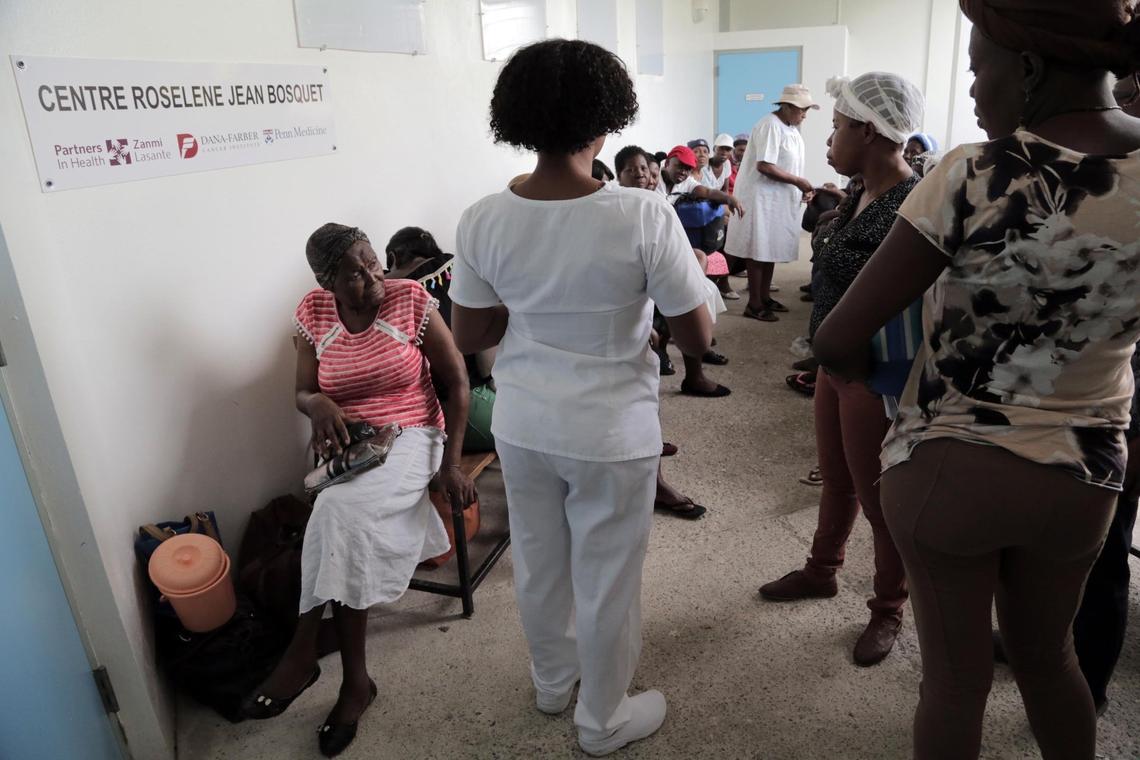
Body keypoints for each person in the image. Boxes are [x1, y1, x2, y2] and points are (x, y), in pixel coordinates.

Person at [811, 1, 1140, 756]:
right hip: (1084, 476)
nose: (970, 92)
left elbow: (836, 337)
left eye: (976, 69)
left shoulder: (972, 173)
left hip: (951, 466)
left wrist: (881, 380)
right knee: (1050, 658)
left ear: (1026, 69)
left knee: (955, 684)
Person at [449, 39, 713, 756]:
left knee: (538, 559)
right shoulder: (642, 215)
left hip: (524, 419)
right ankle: (602, 721)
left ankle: (550, 682)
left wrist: (529, 303)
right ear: (605, 123)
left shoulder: (481, 217)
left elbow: (471, 328)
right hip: (610, 430)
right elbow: (696, 333)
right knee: (607, 577)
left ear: (519, 120)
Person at [241, 223, 475, 758]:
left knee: (337, 513)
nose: (371, 276)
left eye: (372, 262)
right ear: (327, 282)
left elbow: (457, 381)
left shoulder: (409, 298)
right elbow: (303, 390)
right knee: (339, 518)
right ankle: (353, 682)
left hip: (416, 434)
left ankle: (307, 657)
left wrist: (452, 466)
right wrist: (316, 403)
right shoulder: (314, 314)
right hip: (355, 446)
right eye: (354, 271)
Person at [759, 72, 926, 668]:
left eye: (835, 126)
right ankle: (822, 570)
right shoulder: (858, 191)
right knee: (836, 478)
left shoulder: (913, 204)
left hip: (877, 369)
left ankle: (888, 609)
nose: (828, 137)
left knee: (881, 499)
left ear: (868, 130)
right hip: (835, 361)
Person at [726, 84, 818, 322]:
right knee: (758, 250)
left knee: (770, 249)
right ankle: (754, 303)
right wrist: (798, 182)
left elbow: (790, 165)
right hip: (761, 199)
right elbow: (764, 165)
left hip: (778, 199)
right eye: (802, 110)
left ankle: (764, 297)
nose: (804, 115)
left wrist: (802, 188)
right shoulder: (770, 125)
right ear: (786, 107)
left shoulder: (791, 128)